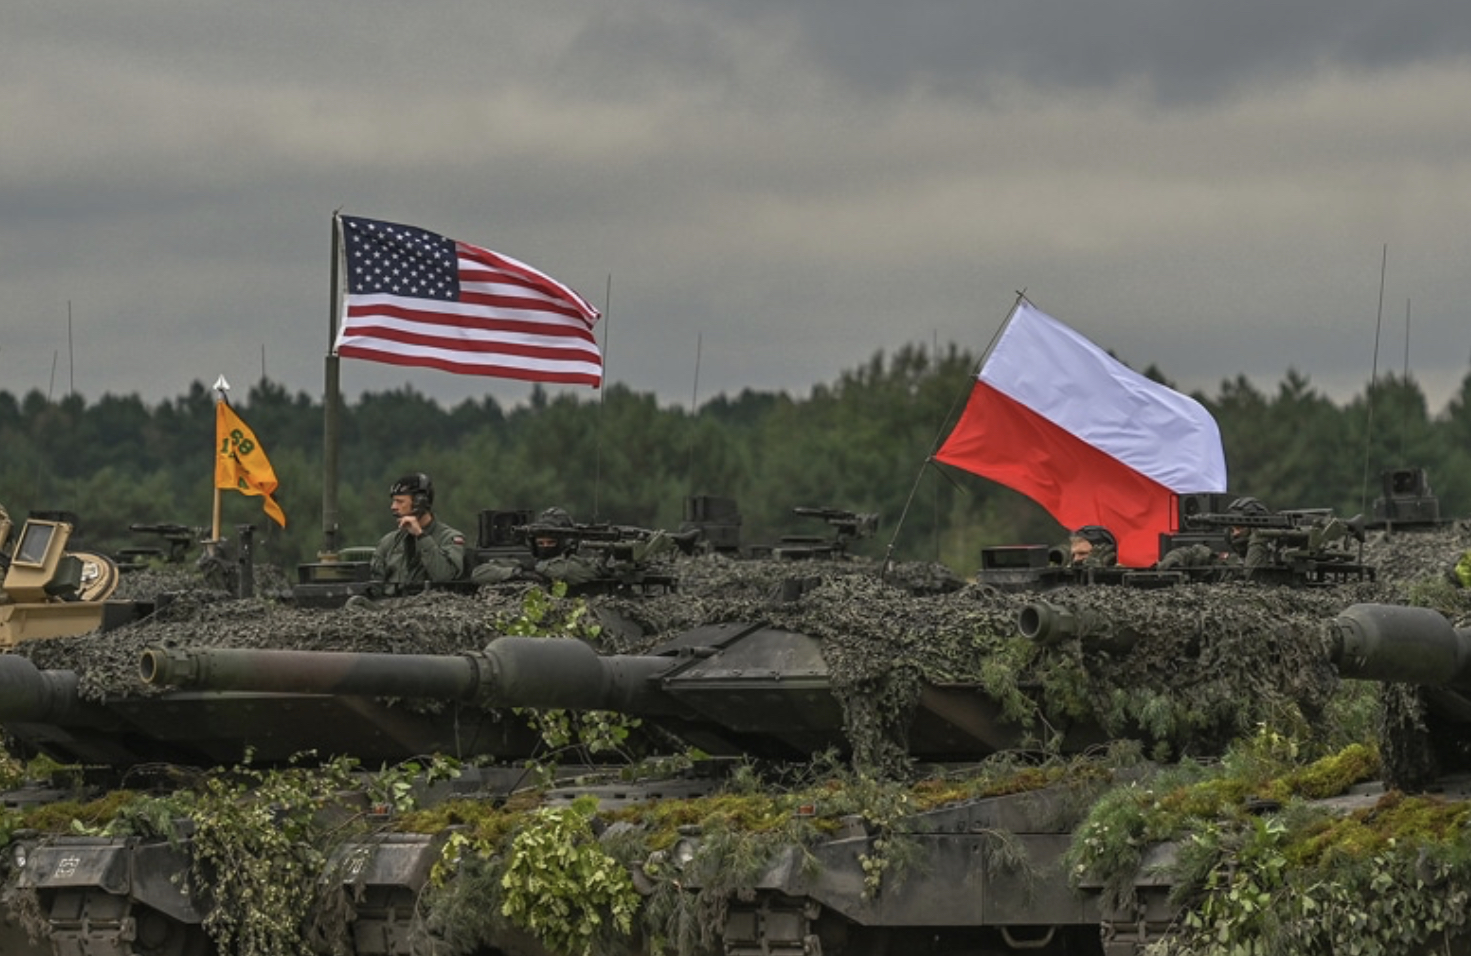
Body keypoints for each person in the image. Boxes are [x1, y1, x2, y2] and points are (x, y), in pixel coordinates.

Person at [368, 473, 467, 596]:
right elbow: (374, 588)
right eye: (394, 501)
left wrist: (421, 536)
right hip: (390, 609)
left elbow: (444, 576)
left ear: (419, 503)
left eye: (400, 502)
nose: (393, 507)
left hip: (433, 609)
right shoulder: (389, 542)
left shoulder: (449, 538)